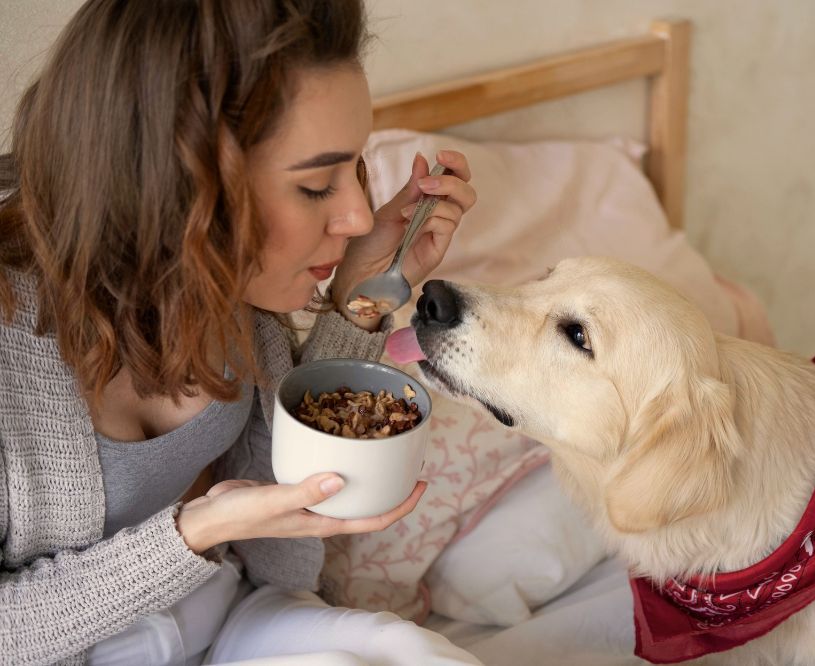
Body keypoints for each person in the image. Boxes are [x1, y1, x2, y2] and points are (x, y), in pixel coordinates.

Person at [0, 1, 481, 664]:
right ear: (176, 186)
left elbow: (282, 473)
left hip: (225, 612)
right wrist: (192, 534)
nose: (356, 214)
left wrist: (365, 292)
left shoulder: (221, 277)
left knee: (404, 653)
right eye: (316, 185)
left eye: (354, 170)